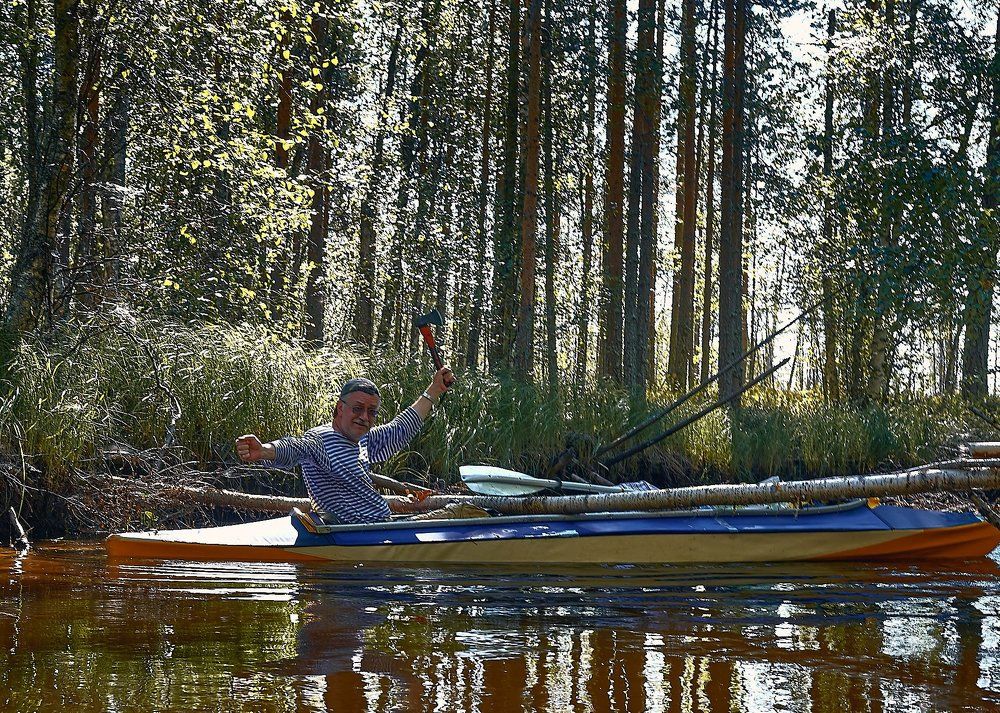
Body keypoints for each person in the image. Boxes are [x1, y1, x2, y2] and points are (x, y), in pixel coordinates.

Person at [235, 367, 454, 524]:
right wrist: (264, 450)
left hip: (380, 531)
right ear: (340, 409)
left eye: (371, 412)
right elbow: (295, 447)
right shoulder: (320, 439)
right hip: (354, 536)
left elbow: (401, 428)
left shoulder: (365, 440)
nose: (364, 417)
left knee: (461, 512)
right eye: (357, 409)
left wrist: (434, 389)